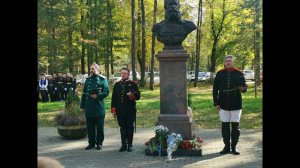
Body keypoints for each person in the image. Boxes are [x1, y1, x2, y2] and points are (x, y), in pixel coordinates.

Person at [213, 55, 247, 155]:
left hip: (236, 103)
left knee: (235, 126)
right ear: (224, 62)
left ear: (233, 62)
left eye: (230, 61)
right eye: (226, 61)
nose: (228, 62)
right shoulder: (219, 73)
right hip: (222, 103)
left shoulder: (239, 73)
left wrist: (243, 89)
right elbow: (215, 89)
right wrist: (216, 102)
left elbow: (244, 89)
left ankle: (234, 147)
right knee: (225, 126)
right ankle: (226, 146)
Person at [80, 63, 109, 150]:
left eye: (93, 69)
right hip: (89, 107)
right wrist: (82, 106)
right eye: (91, 69)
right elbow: (84, 94)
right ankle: (91, 143)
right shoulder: (88, 80)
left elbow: (106, 91)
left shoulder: (102, 79)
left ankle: (99, 143)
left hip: (99, 107)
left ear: (98, 69)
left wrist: (98, 95)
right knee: (90, 127)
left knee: (100, 127)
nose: (91, 70)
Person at [111, 68, 140, 152]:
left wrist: (133, 95)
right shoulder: (117, 85)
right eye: (122, 73)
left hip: (130, 110)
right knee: (122, 127)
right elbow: (114, 99)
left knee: (130, 127)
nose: (123, 74)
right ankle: (123, 144)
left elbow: (138, 96)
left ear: (128, 74)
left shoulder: (132, 84)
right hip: (120, 110)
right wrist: (113, 110)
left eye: (125, 73)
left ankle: (130, 145)